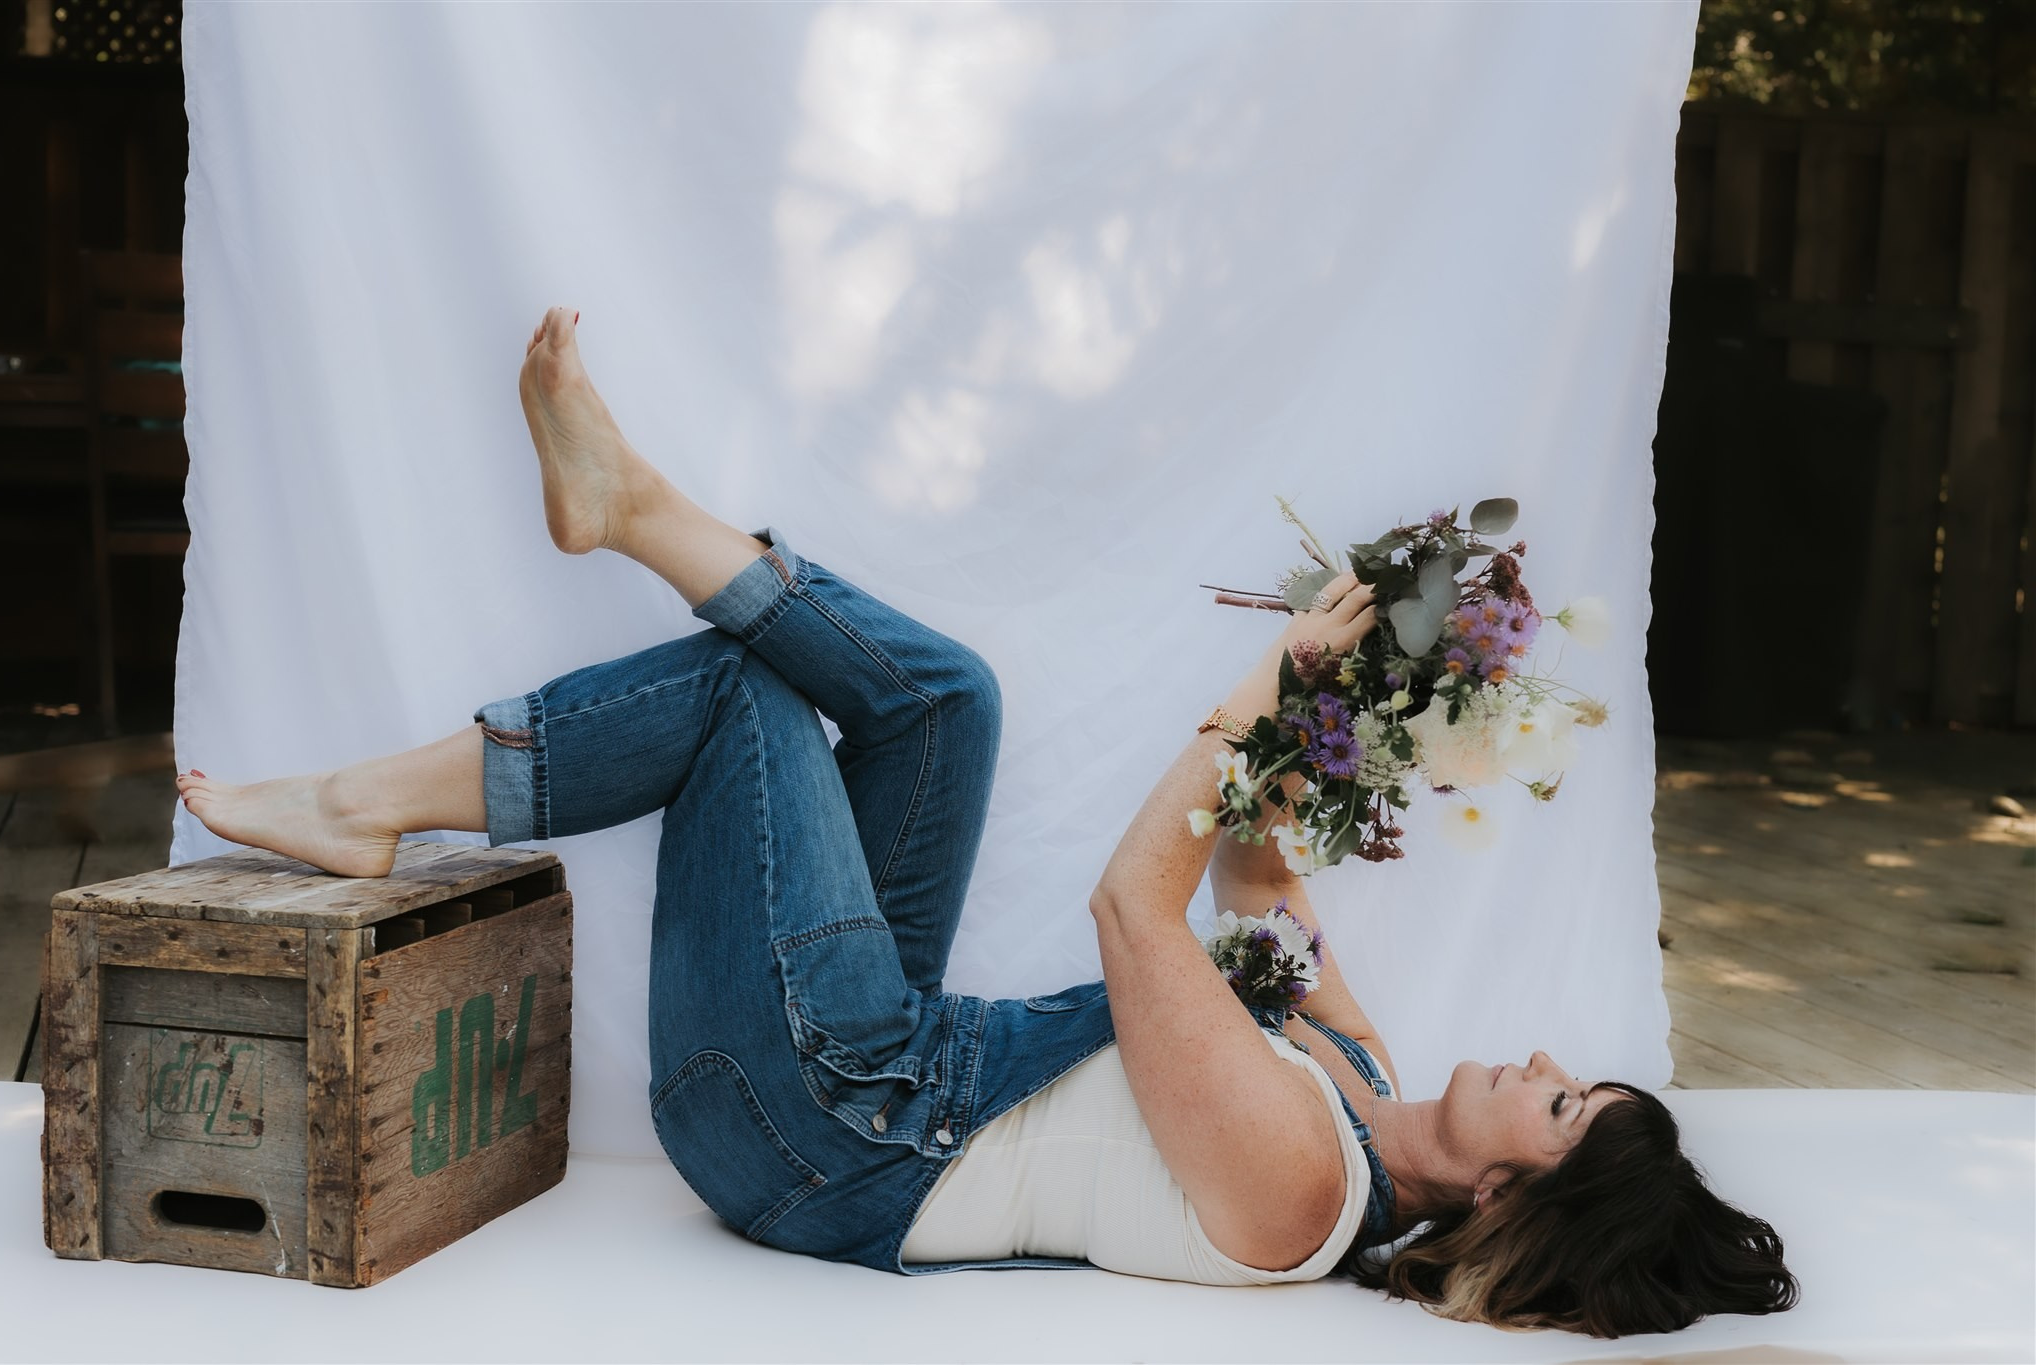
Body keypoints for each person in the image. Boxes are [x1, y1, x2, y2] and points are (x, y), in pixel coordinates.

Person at [174, 307, 1798, 1337]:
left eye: (1561, 1105)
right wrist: (1352, 691)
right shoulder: (1361, 1077)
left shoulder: (1310, 1181)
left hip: (826, 1134)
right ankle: (638, 513)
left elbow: (1136, 914)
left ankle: (364, 799)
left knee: (751, 706)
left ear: (1514, 1201)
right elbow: (1253, 865)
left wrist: (1259, 682)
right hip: (877, 1057)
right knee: (949, 704)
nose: (1536, 1063)